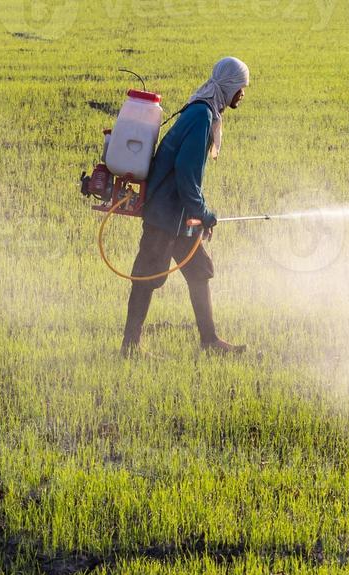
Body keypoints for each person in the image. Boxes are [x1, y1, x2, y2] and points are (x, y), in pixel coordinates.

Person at [121, 57, 250, 356]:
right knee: (147, 276)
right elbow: (186, 171)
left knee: (199, 270)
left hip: (178, 216)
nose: (242, 94)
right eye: (241, 87)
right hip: (165, 212)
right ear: (229, 86)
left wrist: (196, 213)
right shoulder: (202, 116)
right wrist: (203, 213)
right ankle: (129, 347)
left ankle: (210, 341)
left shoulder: (204, 111)